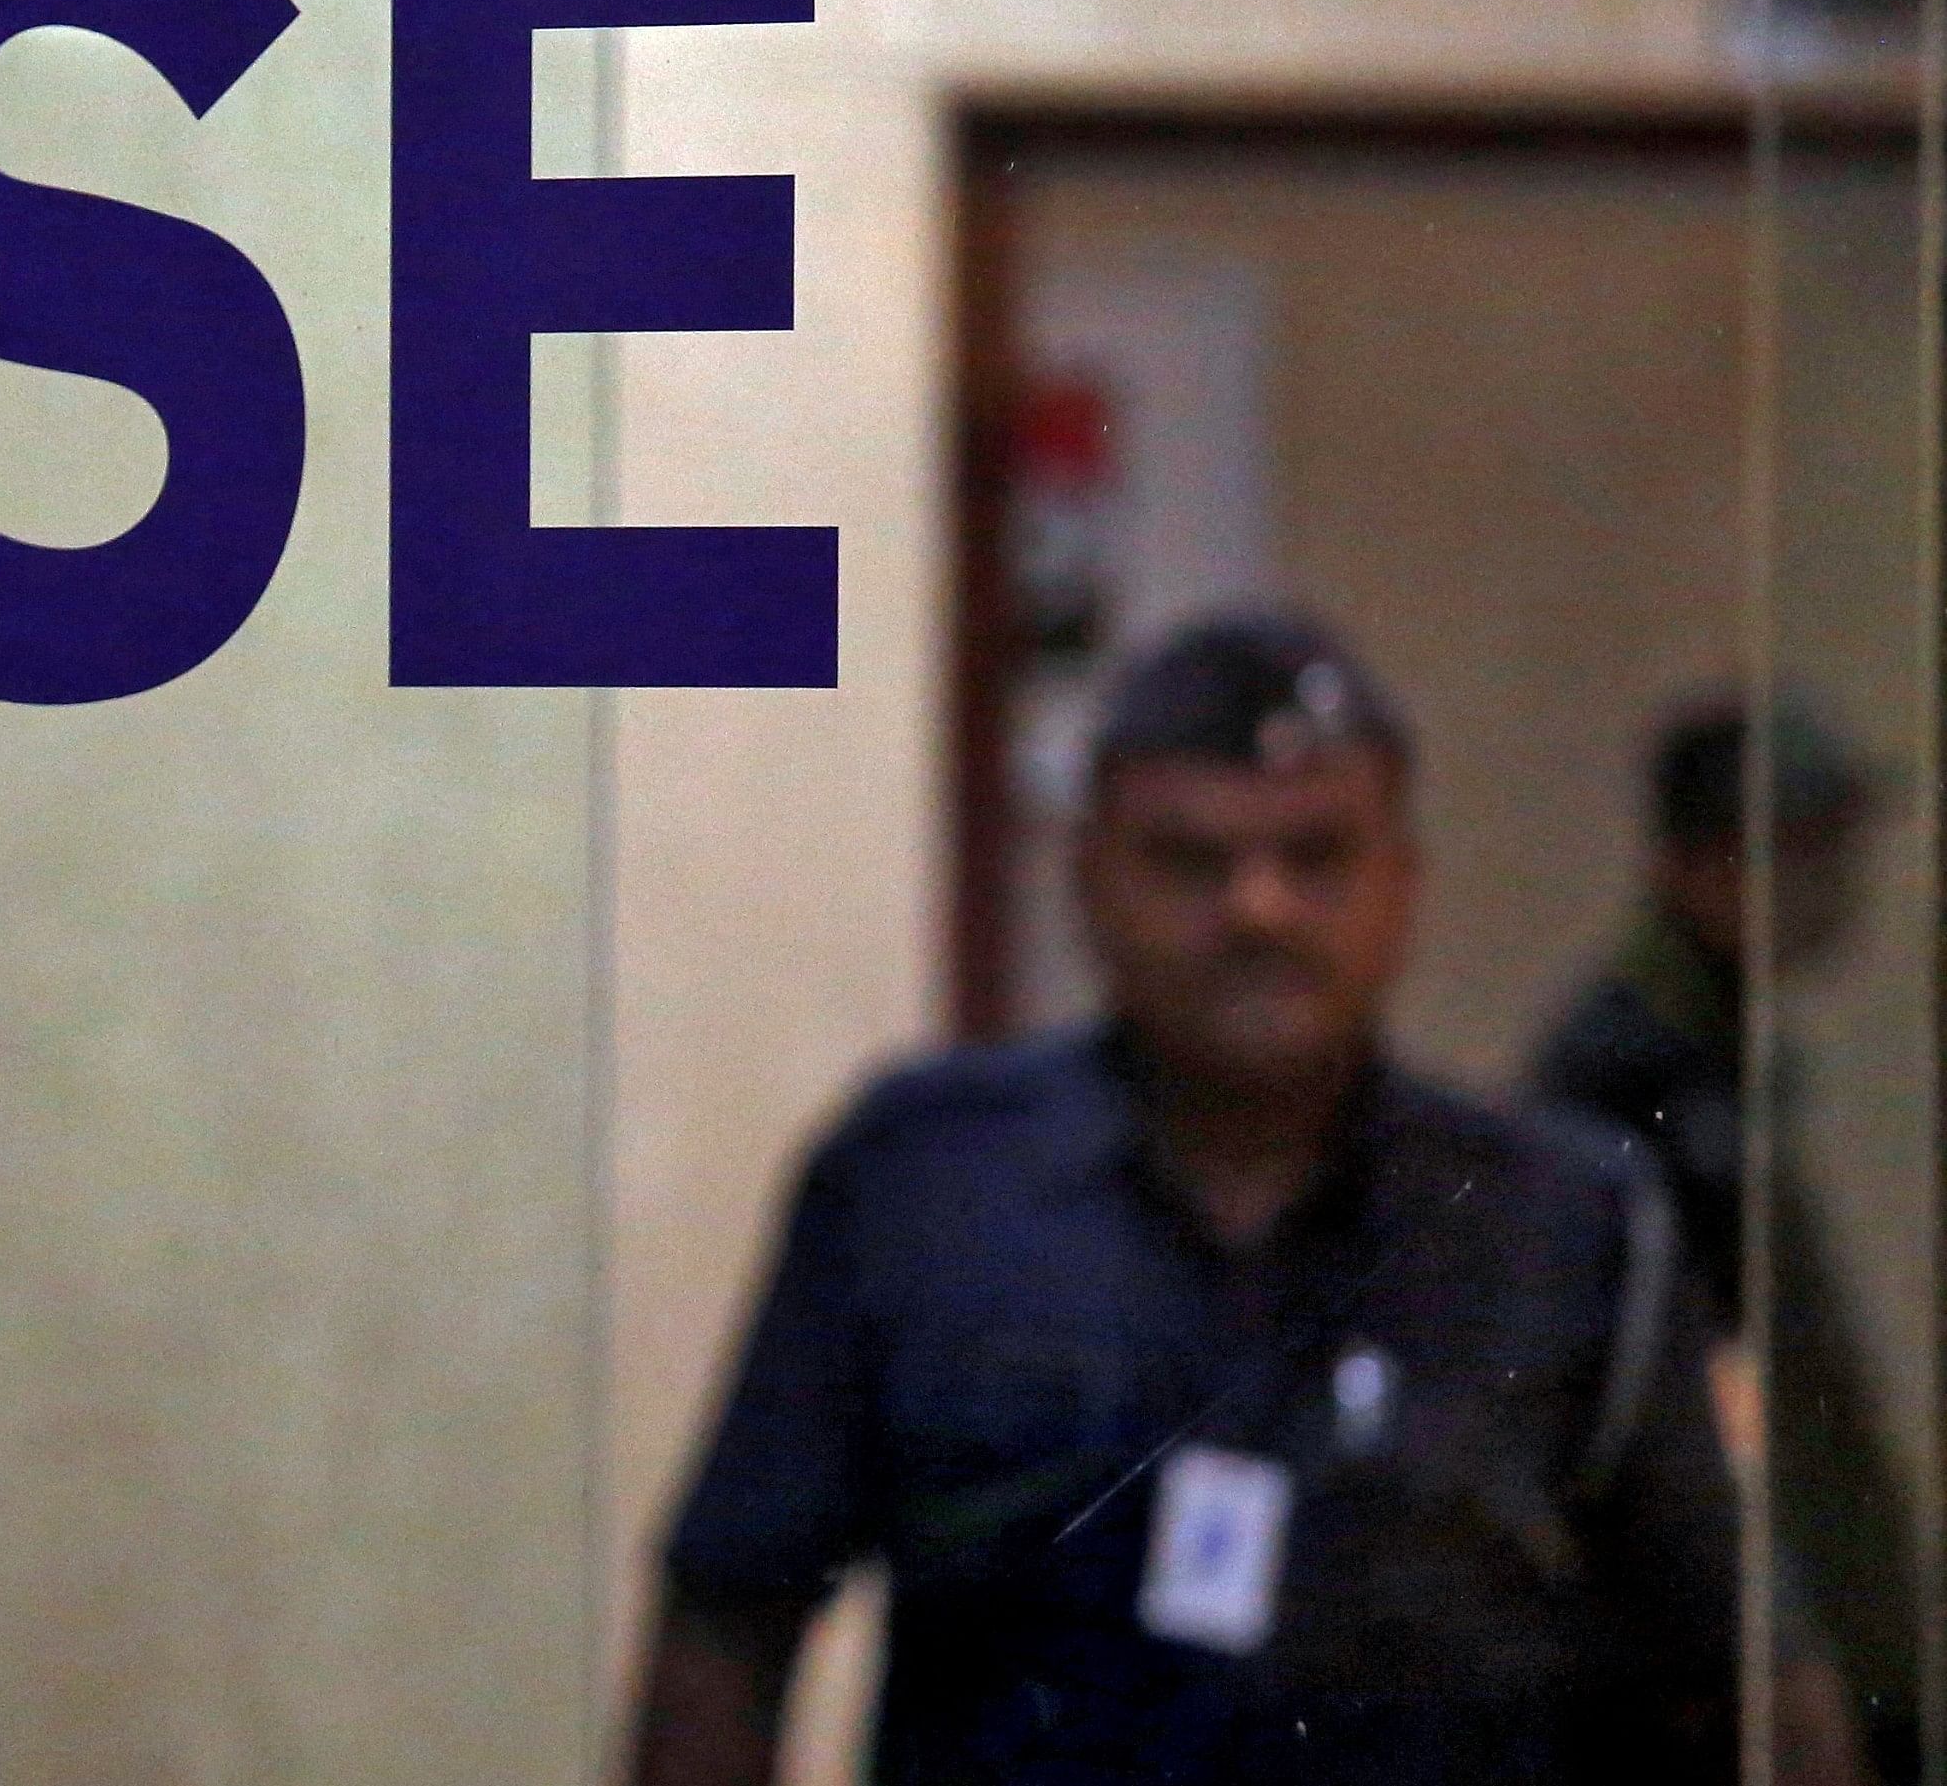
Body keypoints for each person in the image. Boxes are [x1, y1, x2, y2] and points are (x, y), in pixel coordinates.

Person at [631, 613, 1737, 1786]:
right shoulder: (919, 1183)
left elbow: (1731, 1675)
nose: (1257, 907)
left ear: (1403, 882)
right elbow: (727, 1625)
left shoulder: (1561, 1221)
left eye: (1315, 856)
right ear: (1086, 876)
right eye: (1189, 859)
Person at [1530, 697, 1915, 1783]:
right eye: (1798, 849)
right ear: (1707, 863)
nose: (1828, 883)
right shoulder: (1629, 1071)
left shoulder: (1717, 1044)